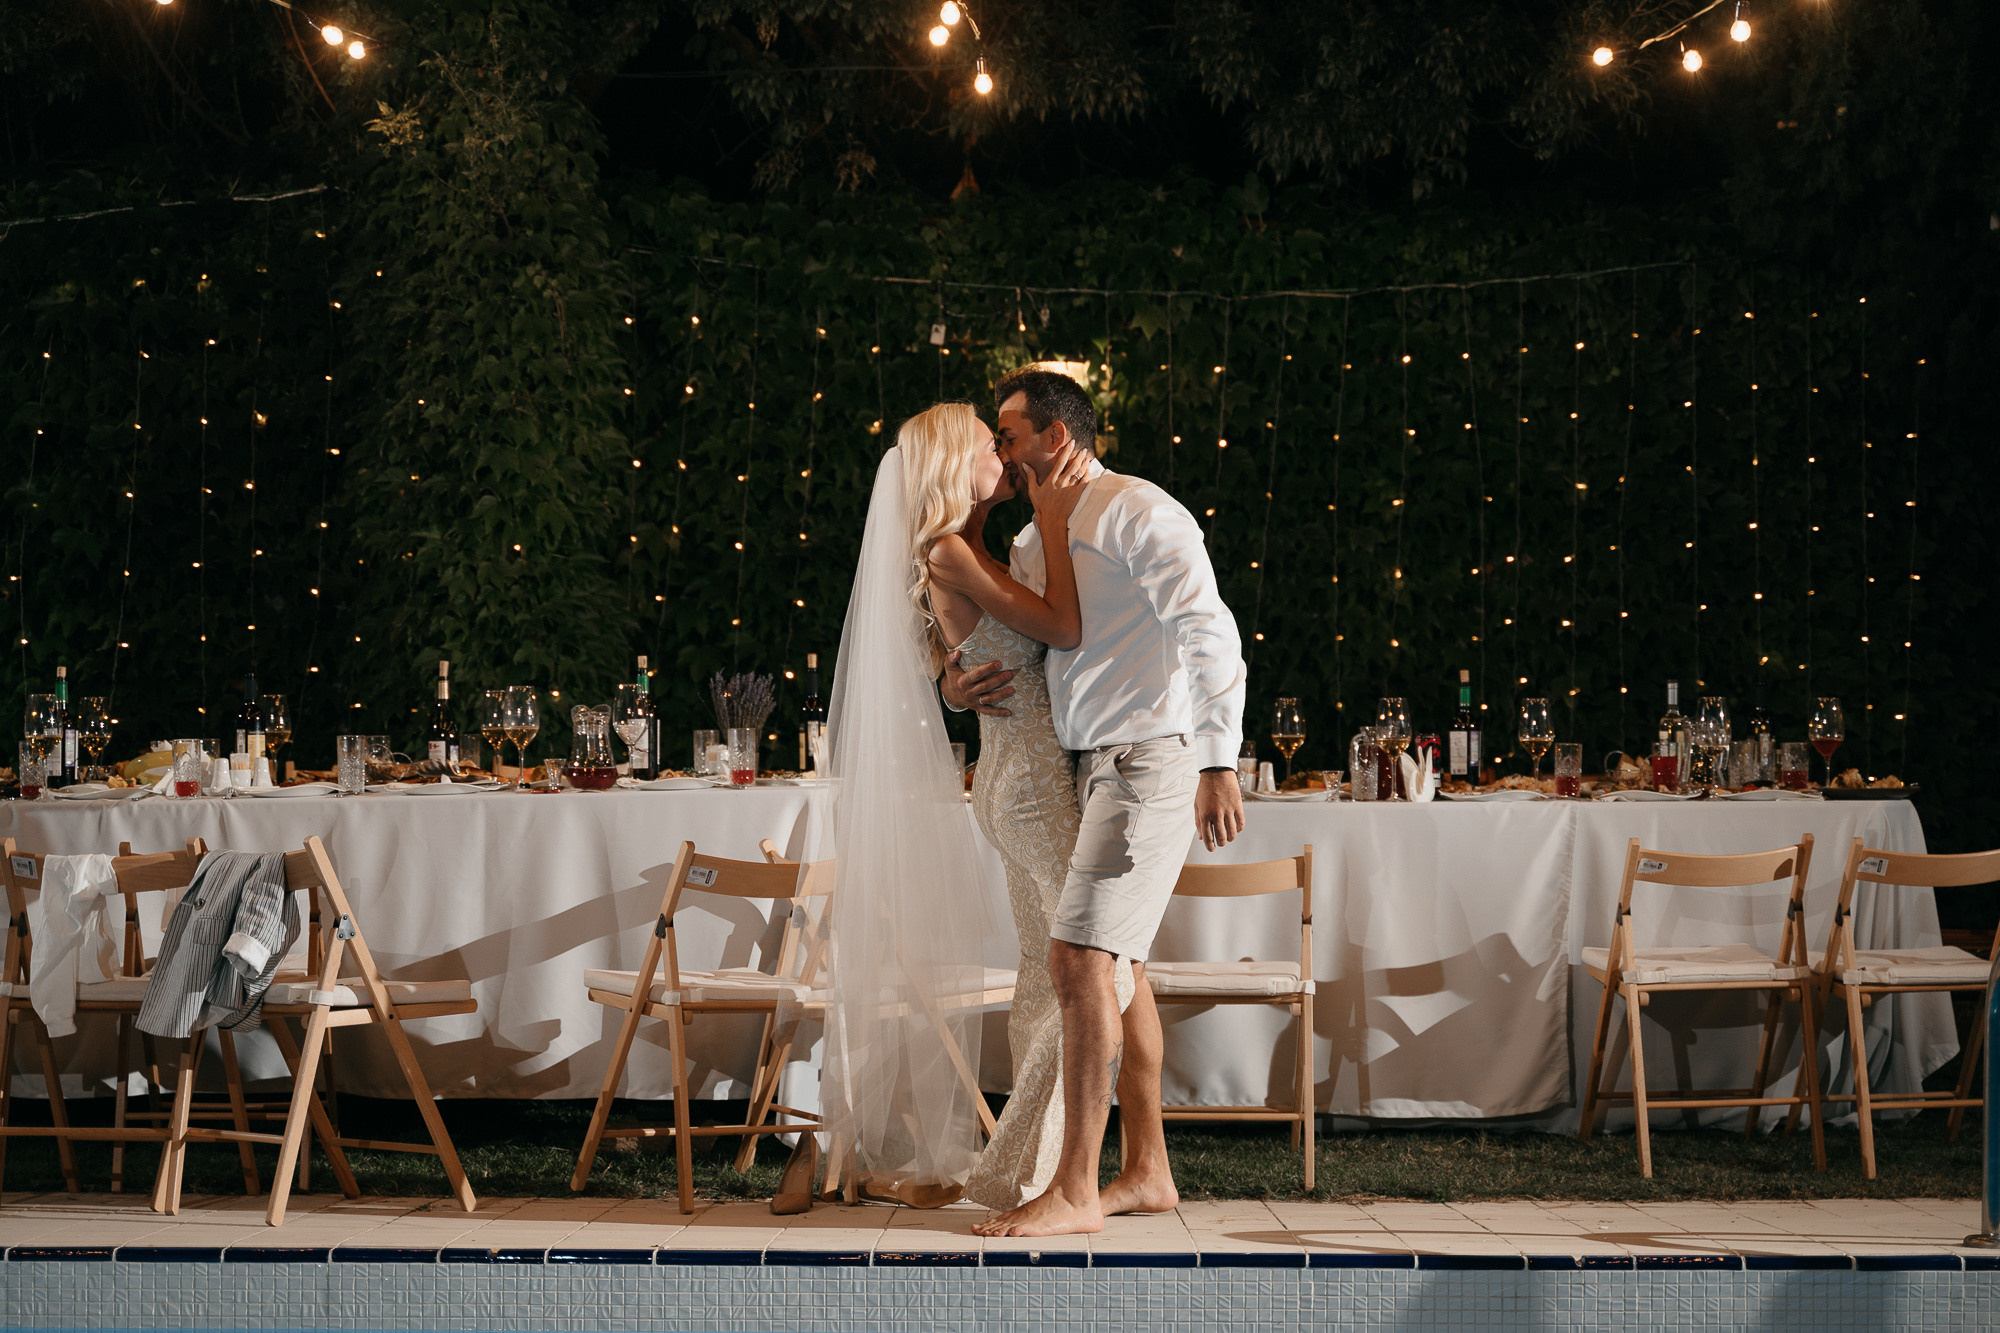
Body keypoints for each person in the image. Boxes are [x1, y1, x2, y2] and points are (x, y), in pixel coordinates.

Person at [945, 368, 1247, 1238]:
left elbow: (1207, 629)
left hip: (1150, 761)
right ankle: (1147, 1171)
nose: (1000, 449)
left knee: (1077, 962)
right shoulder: (1042, 538)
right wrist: (953, 684)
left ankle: (1075, 1187)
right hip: (1080, 768)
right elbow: (1030, 642)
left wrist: (1218, 760)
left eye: (1009, 434)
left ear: (1058, 438)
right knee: (1121, 973)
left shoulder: (1141, 512)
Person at [813, 402, 1090, 1205]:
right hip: (1033, 786)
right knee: (1089, 970)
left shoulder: (966, 549)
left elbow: (955, 648)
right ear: (950, 466)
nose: (1002, 453)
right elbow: (1063, 625)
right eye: (986, 443)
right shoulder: (950, 550)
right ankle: (1024, 1163)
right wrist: (1061, 521)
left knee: (1051, 976)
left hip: (1013, 779)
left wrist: (948, 677)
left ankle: (1027, 1166)